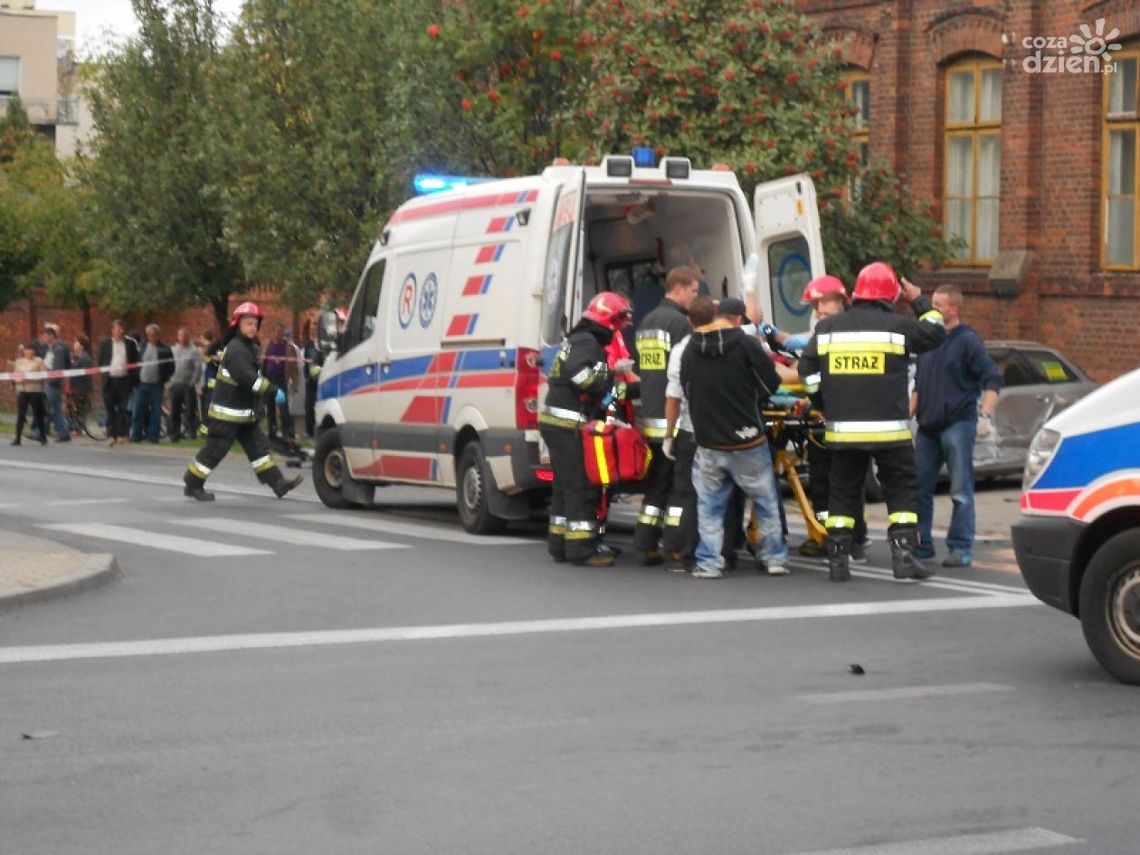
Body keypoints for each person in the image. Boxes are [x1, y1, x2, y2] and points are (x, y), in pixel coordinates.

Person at [798, 262, 947, 583]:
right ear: (891, 297)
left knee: (842, 496)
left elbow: (806, 370)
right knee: (901, 494)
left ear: (856, 294)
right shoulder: (899, 325)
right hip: (889, 433)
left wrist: (821, 401)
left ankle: (838, 564)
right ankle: (904, 560)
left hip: (843, 432)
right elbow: (936, 331)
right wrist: (919, 300)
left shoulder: (827, 329)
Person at [681, 297, 789, 579]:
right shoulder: (745, 344)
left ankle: (709, 563)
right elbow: (770, 383)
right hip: (748, 440)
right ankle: (774, 557)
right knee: (765, 501)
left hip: (709, 441)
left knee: (710, 506)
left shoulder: (691, 348)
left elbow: (686, 388)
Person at [539, 292, 635, 567]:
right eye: (618, 322)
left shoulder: (580, 339)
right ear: (608, 320)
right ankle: (582, 549)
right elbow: (583, 378)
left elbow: (594, 387)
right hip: (567, 423)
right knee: (580, 486)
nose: (619, 328)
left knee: (563, 488)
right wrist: (611, 375)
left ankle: (560, 545)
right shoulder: (587, 341)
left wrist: (619, 391)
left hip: (560, 422)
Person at [912, 284, 1003, 568]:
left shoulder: (968, 341)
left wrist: (985, 417)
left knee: (961, 490)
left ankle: (960, 547)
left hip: (957, 424)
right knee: (919, 488)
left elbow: (992, 379)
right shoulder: (928, 340)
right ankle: (922, 545)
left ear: (954, 309)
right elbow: (919, 385)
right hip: (927, 426)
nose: (934, 309)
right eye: (933, 303)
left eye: (939, 305)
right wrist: (906, 415)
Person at [183, 302, 303, 502]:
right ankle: (193, 483)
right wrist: (272, 390)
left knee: (259, 450)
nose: (253, 327)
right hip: (227, 414)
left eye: (255, 324)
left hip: (244, 414)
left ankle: (278, 484)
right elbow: (247, 378)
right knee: (214, 451)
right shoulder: (237, 349)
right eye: (248, 323)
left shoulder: (249, 347)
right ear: (238, 325)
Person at [788, 276, 871, 562]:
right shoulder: (824, 334)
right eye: (818, 313)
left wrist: (818, 400)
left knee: (844, 486)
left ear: (842, 307)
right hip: (829, 419)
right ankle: (832, 537)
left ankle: (849, 540)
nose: (821, 318)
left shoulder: (845, 337)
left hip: (842, 420)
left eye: (826, 313)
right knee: (827, 483)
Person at [632, 264, 701, 564]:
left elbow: (640, 369)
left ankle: (645, 541)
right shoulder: (680, 324)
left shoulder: (646, 321)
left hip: (649, 415)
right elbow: (684, 373)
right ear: (679, 288)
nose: (695, 297)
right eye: (694, 291)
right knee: (677, 488)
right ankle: (674, 544)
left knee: (656, 485)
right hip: (671, 417)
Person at [661, 296, 715, 573]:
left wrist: (669, 435)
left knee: (688, 495)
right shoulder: (731, 344)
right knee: (720, 493)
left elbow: (673, 396)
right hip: (722, 433)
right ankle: (723, 551)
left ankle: (688, 552)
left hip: (691, 432)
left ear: (689, 321)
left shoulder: (683, 350)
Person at [97, 319, 140, 447]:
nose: (120, 332)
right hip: (110, 380)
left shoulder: (130, 344)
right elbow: (100, 360)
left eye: (122, 329)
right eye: (117, 329)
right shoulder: (105, 344)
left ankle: (122, 434)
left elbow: (135, 361)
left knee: (123, 408)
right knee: (110, 408)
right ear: (112, 330)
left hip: (124, 380)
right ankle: (111, 435)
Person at [131, 323, 174, 443]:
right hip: (142, 383)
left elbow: (171, 366)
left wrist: (164, 379)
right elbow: (135, 364)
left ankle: (153, 436)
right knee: (138, 410)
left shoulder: (164, 348)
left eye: (154, 335)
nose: (151, 337)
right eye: (149, 335)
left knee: (156, 412)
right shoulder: (141, 347)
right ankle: (136, 435)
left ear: (158, 335)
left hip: (157, 384)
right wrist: (135, 381)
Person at [10, 342, 48, 446]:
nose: (28, 352)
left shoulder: (39, 361)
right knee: (21, 414)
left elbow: (43, 376)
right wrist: (17, 380)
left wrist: (30, 377)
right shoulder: (19, 361)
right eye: (26, 350)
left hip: (35, 390)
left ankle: (43, 436)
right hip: (22, 390)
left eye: (30, 350)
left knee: (37, 414)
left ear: (34, 351)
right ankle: (17, 438)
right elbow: (15, 374)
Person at [169, 326, 203, 442]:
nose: (183, 338)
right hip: (175, 384)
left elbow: (197, 369)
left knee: (190, 411)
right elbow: (168, 367)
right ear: (178, 337)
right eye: (181, 336)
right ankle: (175, 434)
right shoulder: (173, 350)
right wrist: (169, 382)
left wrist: (192, 382)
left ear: (188, 337)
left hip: (187, 385)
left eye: (185, 336)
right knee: (175, 411)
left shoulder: (193, 351)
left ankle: (191, 434)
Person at [40, 322, 72, 442]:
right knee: (53, 409)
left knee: (51, 408)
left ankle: (43, 431)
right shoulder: (51, 348)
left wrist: (52, 380)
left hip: (53, 384)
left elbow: (58, 368)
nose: (43, 338)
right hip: (49, 382)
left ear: (51, 336)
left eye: (45, 335)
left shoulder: (58, 348)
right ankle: (61, 433)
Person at [261, 322, 291, 440]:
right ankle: (272, 432)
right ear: (272, 332)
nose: (280, 334)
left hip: (281, 379)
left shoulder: (287, 346)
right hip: (269, 379)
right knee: (270, 407)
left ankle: (286, 433)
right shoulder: (267, 345)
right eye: (277, 331)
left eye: (281, 332)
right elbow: (263, 360)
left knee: (283, 406)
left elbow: (292, 365)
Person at [301, 319, 325, 438]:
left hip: (321, 381)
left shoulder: (322, 344)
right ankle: (308, 431)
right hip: (310, 381)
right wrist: (306, 376)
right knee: (309, 407)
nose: (313, 330)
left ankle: (319, 431)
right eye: (311, 328)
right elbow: (305, 362)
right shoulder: (308, 345)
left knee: (320, 407)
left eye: (315, 328)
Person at [67, 334, 94, 431]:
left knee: (79, 408)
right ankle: (75, 427)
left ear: (82, 346)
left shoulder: (85, 358)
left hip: (80, 388)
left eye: (76, 343)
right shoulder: (75, 358)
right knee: (72, 408)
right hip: (73, 387)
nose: (74, 345)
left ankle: (78, 428)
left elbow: (84, 374)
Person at [198, 329, 221, 436]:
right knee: (206, 409)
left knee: (209, 409)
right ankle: (206, 431)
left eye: (202, 339)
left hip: (214, 387)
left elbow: (211, 364)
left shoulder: (214, 351)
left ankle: (209, 431)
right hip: (207, 385)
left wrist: (205, 356)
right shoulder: (209, 351)